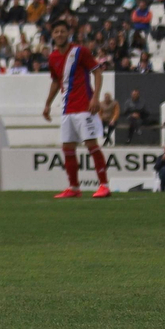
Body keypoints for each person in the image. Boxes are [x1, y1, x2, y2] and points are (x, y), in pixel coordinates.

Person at [42, 21, 112, 198]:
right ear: (53, 35)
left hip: (84, 107)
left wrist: (95, 97)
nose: (59, 34)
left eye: (62, 31)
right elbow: (57, 82)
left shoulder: (80, 51)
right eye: (56, 31)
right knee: (67, 148)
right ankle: (74, 188)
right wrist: (48, 104)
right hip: (67, 108)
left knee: (91, 145)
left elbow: (97, 71)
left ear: (68, 33)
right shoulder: (53, 57)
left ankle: (104, 185)